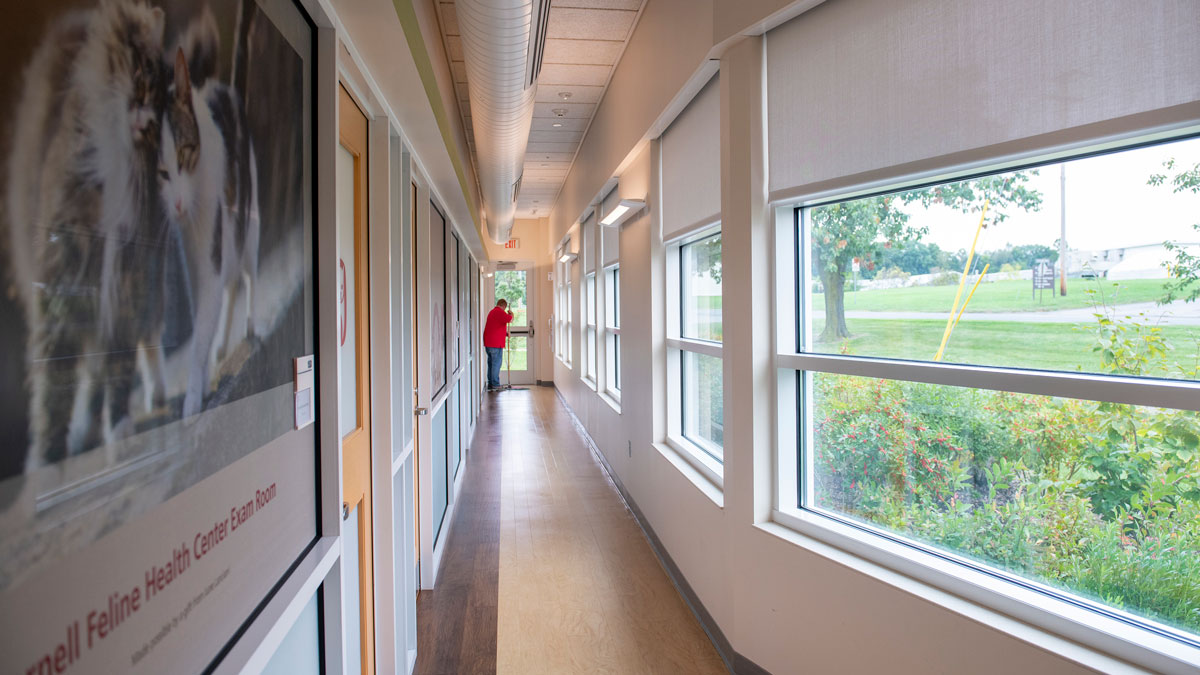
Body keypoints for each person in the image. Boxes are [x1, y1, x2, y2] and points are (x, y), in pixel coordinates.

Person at [483, 298, 514, 390]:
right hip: (495, 344)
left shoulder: (492, 312)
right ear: (503, 306)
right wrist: (511, 314)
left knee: (491, 364)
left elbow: (495, 327)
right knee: (496, 364)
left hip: (489, 343)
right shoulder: (499, 312)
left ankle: (491, 383)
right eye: (504, 308)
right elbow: (510, 319)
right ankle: (496, 384)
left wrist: (505, 333)